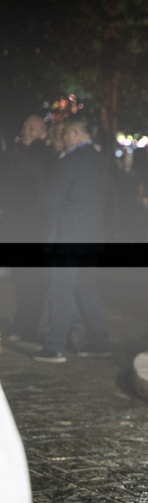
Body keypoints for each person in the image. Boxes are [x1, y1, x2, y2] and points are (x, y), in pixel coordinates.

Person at [35, 115, 112, 362]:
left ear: (76, 134)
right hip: (92, 234)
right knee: (87, 289)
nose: (64, 137)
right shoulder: (101, 160)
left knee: (61, 289)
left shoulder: (68, 162)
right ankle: (99, 342)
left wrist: (38, 189)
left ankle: (55, 346)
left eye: (67, 133)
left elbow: (49, 200)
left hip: (68, 235)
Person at [4, 116, 52, 344]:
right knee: (21, 277)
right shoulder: (18, 154)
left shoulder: (43, 156)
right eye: (24, 127)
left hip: (33, 226)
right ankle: (22, 324)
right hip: (17, 224)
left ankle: (27, 326)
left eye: (31, 128)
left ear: (43, 133)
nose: (25, 131)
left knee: (31, 278)